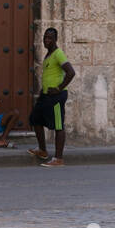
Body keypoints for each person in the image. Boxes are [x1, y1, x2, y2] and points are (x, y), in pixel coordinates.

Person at [30, 27, 75, 167]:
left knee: (58, 125)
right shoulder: (48, 55)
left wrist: (59, 88)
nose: (46, 40)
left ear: (55, 39)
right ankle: (42, 150)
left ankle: (58, 158)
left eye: (50, 38)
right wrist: (42, 93)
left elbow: (71, 72)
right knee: (35, 118)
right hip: (46, 95)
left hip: (57, 96)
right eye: (45, 37)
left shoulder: (58, 54)